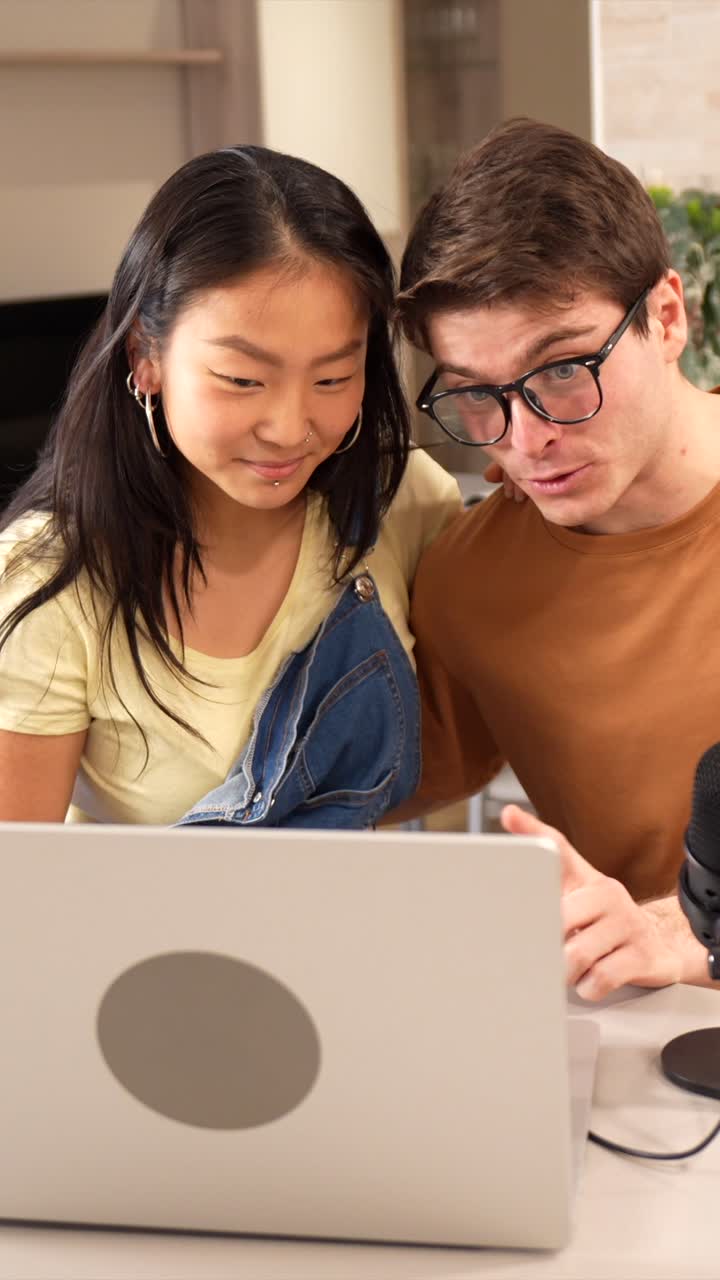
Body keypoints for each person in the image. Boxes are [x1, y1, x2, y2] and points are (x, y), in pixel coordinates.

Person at [0, 146, 460, 829]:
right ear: (145, 358)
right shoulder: (51, 579)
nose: (288, 428)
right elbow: (26, 894)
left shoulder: (406, 503)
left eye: (333, 379)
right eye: (243, 380)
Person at [390, 117, 720, 998]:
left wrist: (692, 937)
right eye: (477, 395)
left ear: (666, 315)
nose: (527, 438)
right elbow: (349, 790)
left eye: (565, 368)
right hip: (637, 1055)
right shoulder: (472, 582)